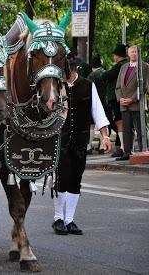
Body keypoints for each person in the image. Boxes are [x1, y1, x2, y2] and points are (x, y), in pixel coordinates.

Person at [52, 56, 112, 236]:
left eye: (67, 70)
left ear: (75, 69)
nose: (65, 73)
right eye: (63, 70)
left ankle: (69, 219)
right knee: (62, 177)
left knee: (76, 179)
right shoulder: (56, 86)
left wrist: (105, 136)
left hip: (80, 141)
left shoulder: (88, 86)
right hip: (60, 140)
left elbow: (98, 112)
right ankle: (58, 218)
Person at [115, 45, 149, 160]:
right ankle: (127, 152)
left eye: (135, 52)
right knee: (126, 130)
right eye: (132, 52)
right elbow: (118, 86)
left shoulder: (144, 66)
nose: (134, 54)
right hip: (124, 104)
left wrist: (132, 99)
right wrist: (121, 99)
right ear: (128, 54)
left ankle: (143, 151)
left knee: (140, 129)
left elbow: (144, 86)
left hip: (136, 104)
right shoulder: (123, 67)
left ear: (139, 53)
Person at [101, 44, 128, 157]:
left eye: (114, 55)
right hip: (122, 96)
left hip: (116, 97)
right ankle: (121, 146)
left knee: (118, 121)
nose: (114, 57)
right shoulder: (125, 64)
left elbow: (106, 76)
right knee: (121, 121)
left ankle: (123, 147)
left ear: (117, 55)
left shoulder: (119, 65)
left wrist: (104, 72)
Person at [87, 55, 108, 153]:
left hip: (94, 101)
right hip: (105, 101)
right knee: (103, 123)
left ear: (92, 66)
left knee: (91, 124)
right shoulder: (105, 73)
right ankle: (102, 146)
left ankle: (89, 146)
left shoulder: (92, 75)